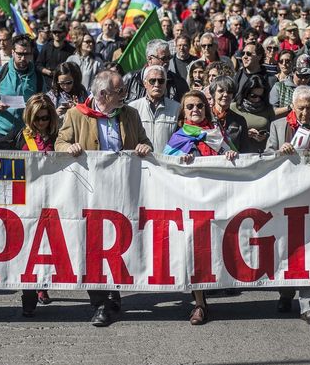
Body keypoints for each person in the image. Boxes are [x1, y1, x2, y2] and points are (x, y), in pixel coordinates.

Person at [55, 70, 153, 327]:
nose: (125, 95)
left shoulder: (129, 114)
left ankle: (113, 292)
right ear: (102, 94)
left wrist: (144, 147)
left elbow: (144, 142)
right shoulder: (76, 115)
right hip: (89, 194)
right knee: (93, 245)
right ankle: (100, 303)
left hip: (122, 192)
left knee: (118, 243)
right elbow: (59, 143)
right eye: (119, 91)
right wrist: (69, 148)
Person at [163, 90, 238, 325]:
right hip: (190, 205)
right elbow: (164, 171)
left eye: (199, 106)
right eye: (190, 107)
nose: (195, 110)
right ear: (183, 112)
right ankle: (199, 304)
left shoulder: (216, 135)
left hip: (217, 202)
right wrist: (178, 163)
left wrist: (232, 155)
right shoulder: (177, 139)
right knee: (195, 252)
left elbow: (233, 156)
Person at [266, 85, 310, 324]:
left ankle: (308, 305)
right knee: (286, 250)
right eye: (300, 108)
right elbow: (266, 156)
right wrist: (279, 152)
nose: (304, 113)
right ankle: (286, 293)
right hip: (285, 198)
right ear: (292, 106)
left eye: (309, 108)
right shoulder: (277, 126)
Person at [14, 94, 59, 310]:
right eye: (38, 119)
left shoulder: (56, 137)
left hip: (52, 197)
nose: (42, 122)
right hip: (28, 199)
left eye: (45, 118)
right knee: (29, 249)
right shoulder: (21, 137)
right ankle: (29, 297)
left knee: (48, 246)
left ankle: (44, 284)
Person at [0, 35, 44, 149]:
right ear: (12, 52)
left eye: (27, 54)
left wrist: (35, 107)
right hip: (1, 131)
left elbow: (43, 100)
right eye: (20, 54)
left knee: (25, 167)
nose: (23, 58)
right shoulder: (0, 72)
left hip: (27, 132)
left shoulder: (37, 76)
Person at [128, 64, 181, 153]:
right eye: (152, 81)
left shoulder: (177, 108)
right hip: (141, 162)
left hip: (166, 163)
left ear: (165, 83)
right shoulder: (132, 107)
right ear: (145, 83)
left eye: (161, 81)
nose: (157, 84)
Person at [124, 39, 188, 103]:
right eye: (163, 58)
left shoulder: (178, 82)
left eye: (169, 57)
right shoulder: (130, 79)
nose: (167, 62)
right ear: (149, 59)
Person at [231, 74, 275, 154]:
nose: (257, 99)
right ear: (246, 93)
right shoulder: (234, 108)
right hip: (239, 154)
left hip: (262, 154)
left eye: (260, 96)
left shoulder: (268, 108)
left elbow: (274, 132)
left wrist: (265, 136)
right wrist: (244, 133)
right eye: (253, 96)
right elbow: (227, 133)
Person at [208, 76, 249, 153]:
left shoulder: (240, 120)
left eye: (229, 92)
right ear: (213, 93)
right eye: (221, 91)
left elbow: (245, 150)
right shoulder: (205, 117)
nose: (226, 94)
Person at [270, 54, 310, 118]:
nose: (303, 79)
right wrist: (290, 107)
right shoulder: (279, 87)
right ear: (293, 72)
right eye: (300, 76)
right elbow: (271, 112)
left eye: (307, 76)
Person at [35, 24, 76, 89]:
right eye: (54, 32)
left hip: (65, 86)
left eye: (59, 32)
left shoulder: (71, 50)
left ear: (65, 33)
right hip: (48, 85)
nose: (56, 34)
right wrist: (47, 71)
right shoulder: (46, 47)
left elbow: (74, 68)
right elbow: (38, 64)